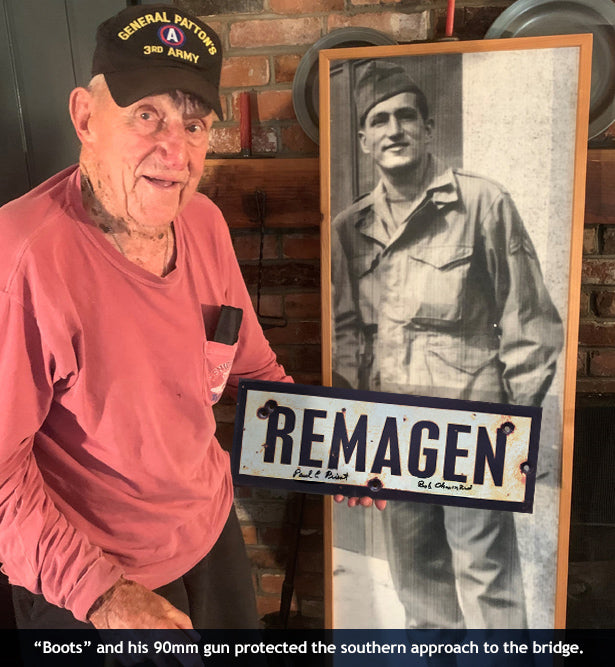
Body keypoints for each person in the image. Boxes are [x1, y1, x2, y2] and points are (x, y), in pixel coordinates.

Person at [0, 4, 291, 630]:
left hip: (210, 538)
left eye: (193, 124)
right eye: (146, 115)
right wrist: (104, 596)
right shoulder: (21, 259)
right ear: (85, 117)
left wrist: (346, 446)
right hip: (92, 579)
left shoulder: (205, 224)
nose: (174, 150)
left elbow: (252, 367)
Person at [332, 60, 564, 629]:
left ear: (428, 129)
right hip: (394, 436)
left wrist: (511, 428)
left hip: (474, 428)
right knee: (419, 589)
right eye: (379, 121)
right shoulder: (348, 229)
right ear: (364, 141)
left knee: (490, 590)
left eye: (406, 116)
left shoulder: (484, 205)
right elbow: (344, 339)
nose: (394, 130)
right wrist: (353, 440)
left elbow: (530, 324)